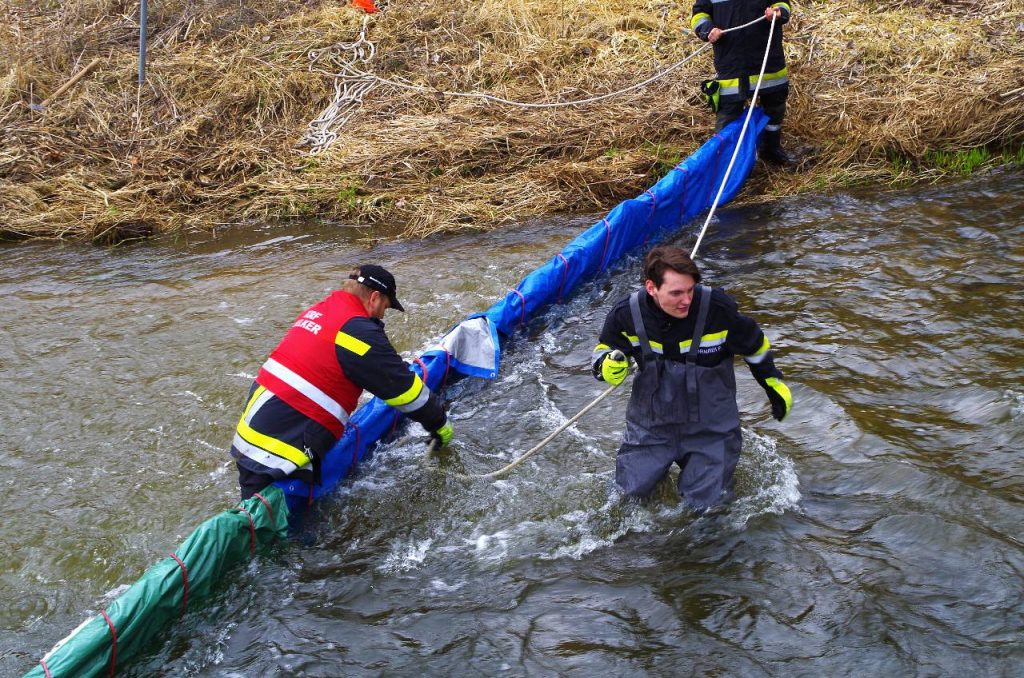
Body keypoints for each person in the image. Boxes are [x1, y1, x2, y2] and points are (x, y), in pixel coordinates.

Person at [592, 246, 791, 509]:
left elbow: (755, 345)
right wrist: (605, 366)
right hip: (651, 429)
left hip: (712, 430)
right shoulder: (626, 314)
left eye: (690, 290)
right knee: (625, 502)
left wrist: (772, 383)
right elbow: (602, 350)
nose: (686, 300)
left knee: (707, 511)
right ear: (651, 288)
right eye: (676, 293)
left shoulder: (719, 310)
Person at [230, 264, 453, 499]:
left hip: (251, 437)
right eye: (385, 307)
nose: (383, 315)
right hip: (279, 449)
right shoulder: (355, 332)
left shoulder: (318, 312)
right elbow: (403, 389)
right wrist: (439, 423)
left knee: (257, 507)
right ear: (375, 297)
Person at [690, 1, 794, 165]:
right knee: (728, 116)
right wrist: (707, 29)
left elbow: (783, 4)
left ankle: (771, 150)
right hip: (731, 63)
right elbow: (699, 14)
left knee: (775, 108)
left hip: (768, 59)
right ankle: (727, 163)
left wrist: (779, 11)